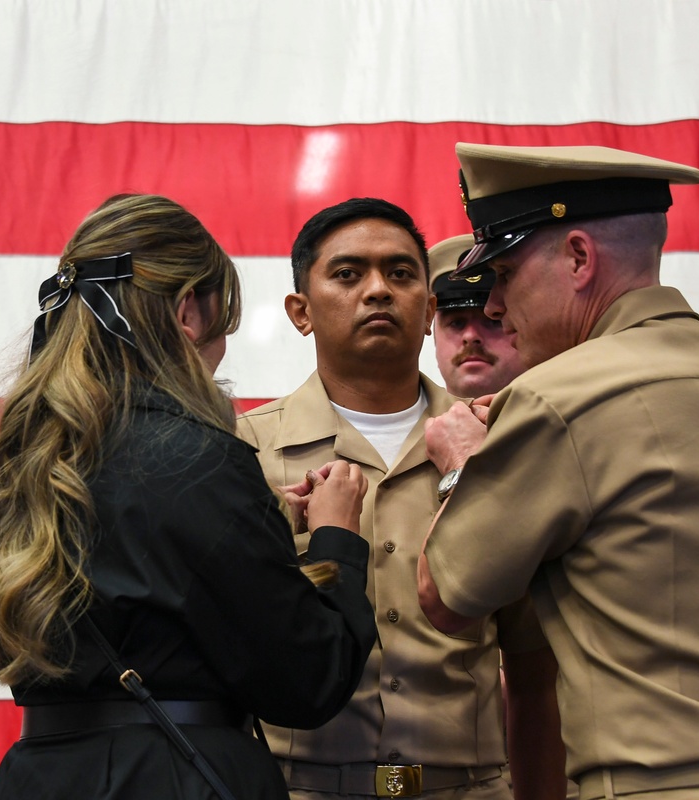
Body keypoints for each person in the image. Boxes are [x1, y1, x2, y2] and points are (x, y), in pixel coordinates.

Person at [418, 144, 699, 800]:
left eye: (503, 273)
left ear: (580, 259)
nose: (493, 305)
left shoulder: (561, 397)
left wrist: (463, 466)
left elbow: (445, 596)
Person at [0, 193, 377, 800]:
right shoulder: (195, 457)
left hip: (39, 777)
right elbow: (308, 680)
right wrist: (338, 538)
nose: (218, 356)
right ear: (188, 314)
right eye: (222, 328)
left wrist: (248, 526)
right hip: (171, 778)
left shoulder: (31, 452)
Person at [237, 198, 566, 800]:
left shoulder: (499, 441)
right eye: (347, 274)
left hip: (468, 789)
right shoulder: (245, 452)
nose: (378, 291)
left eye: (401, 273)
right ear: (300, 312)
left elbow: (531, 664)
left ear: (429, 308)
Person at [429, 234, 576, 800]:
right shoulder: (398, 449)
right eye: (452, 318)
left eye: (489, 316)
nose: (471, 334)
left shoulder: (578, 430)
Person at [429, 234, 523, 400]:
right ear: (435, 337)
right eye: (456, 323)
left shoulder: (569, 423)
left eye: (493, 321)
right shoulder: (404, 425)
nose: (471, 336)